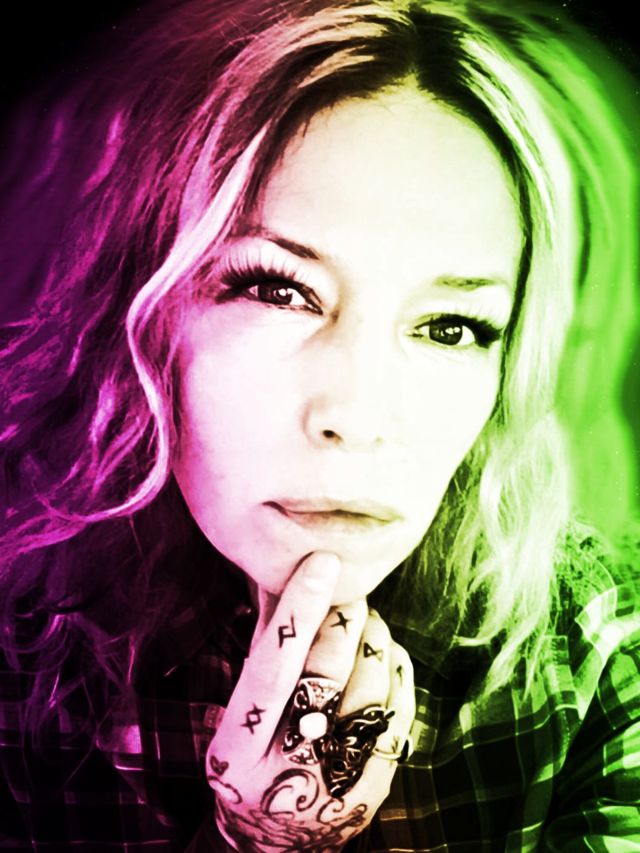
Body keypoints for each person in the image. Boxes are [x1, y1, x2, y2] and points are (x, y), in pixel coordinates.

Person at [1, 0, 639, 849]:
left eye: (451, 327)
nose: (358, 417)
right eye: (277, 289)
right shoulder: (18, 653)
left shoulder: (603, 652)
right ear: (146, 317)